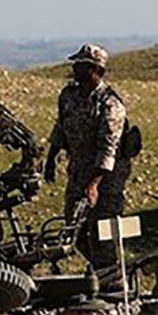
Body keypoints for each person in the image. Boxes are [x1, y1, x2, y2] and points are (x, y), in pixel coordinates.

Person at [43, 44, 133, 290]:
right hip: (78, 172)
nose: (75, 68)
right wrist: (50, 158)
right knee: (75, 230)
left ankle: (114, 281)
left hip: (106, 179)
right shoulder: (69, 95)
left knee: (104, 232)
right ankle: (101, 274)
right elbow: (60, 127)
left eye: (81, 64)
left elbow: (109, 149)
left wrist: (94, 185)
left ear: (95, 69)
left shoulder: (110, 105)